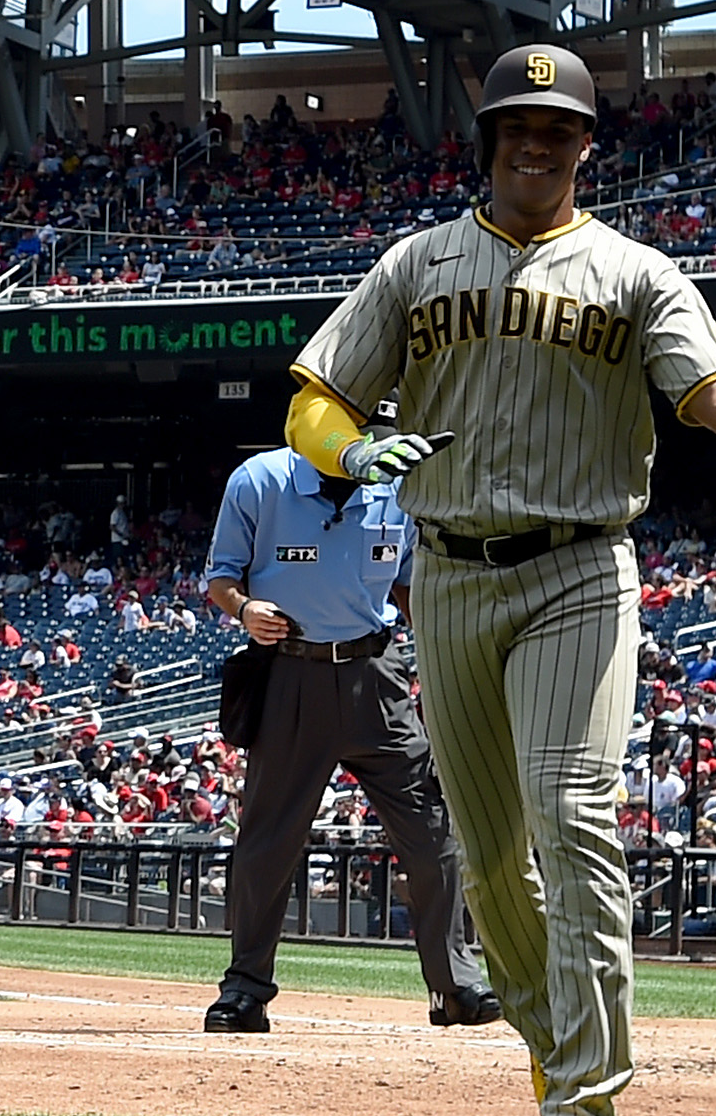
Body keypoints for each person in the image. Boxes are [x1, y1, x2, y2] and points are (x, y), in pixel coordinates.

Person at [282, 42, 716, 1116]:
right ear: (488, 141)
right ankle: (549, 1045)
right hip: (449, 573)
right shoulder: (417, 266)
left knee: (573, 809)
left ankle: (586, 1101)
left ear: (586, 144)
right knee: (488, 860)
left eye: (559, 126)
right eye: (518, 124)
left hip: (580, 564)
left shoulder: (635, 273)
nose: (538, 140)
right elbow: (315, 404)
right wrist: (359, 447)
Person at [199, 429, 496, 1035]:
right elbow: (221, 579)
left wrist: (450, 652)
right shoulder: (259, 481)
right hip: (291, 673)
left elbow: (411, 586)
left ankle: (455, 985)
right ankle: (245, 991)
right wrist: (244, 608)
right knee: (267, 843)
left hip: (379, 678)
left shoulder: (399, 487)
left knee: (434, 831)